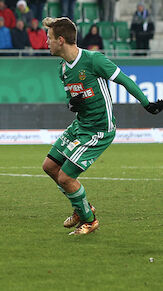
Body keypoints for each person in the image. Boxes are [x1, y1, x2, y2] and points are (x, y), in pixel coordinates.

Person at [40, 16, 162, 235]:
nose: (45, 42)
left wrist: (147, 104)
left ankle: (89, 220)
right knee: (49, 167)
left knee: (66, 177)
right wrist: (73, 104)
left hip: (99, 130)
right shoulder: (63, 70)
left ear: (60, 40)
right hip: (80, 126)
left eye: (48, 38)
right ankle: (81, 208)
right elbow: (75, 100)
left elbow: (123, 79)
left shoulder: (94, 60)